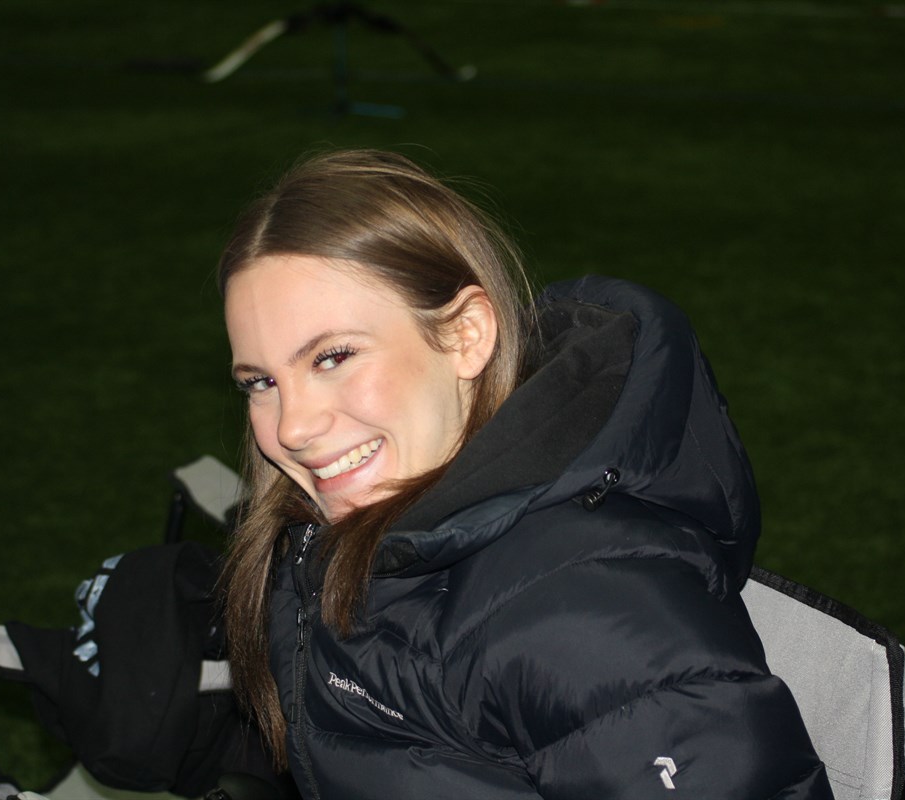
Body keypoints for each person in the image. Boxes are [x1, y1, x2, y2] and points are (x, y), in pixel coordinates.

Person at [217, 149, 833, 800]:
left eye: (333, 357)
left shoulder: (577, 604)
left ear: (466, 335)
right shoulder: (348, 528)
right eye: (260, 382)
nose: (292, 427)